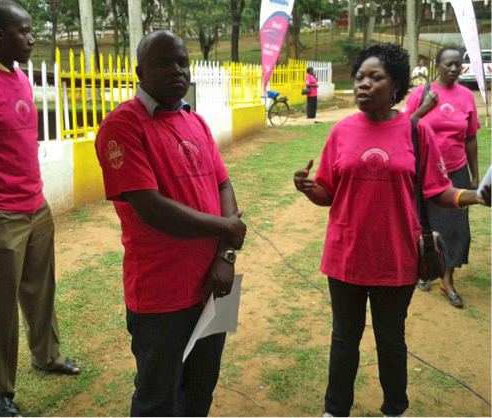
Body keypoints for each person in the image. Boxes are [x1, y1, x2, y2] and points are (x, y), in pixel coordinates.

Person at [293, 43, 486, 417]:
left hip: (396, 259)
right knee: (344, 340)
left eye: (375, 77)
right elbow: (327, 192)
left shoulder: (416, 132)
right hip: (345, 255)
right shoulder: (341, 132)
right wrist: (307, 188)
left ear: (395, 84)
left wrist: (473, 196)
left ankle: (395, 408)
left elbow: (437, 191)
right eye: (360, 77)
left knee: (391, 341)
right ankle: (335, 409)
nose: (364, 84)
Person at [95, 29, 246, 416]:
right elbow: (150, 207)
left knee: (200, 391)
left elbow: (223, 184)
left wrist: (225, 258)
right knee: (157, 399)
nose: (176, 70)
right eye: (163, 63)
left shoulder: (195, 122)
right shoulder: (123, 126)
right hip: (160, 295)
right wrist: (224, 229)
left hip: (214, 285)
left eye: (181, 62)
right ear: (139, 71)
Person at [0, 1, 81, 416]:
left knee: (41, 293)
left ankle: (48, 357)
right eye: (24, 31)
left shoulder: (20, 77)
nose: (32, 37)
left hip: (35, 207)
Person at [403, 46, 480, 307]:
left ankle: (448, 280)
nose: (454, 69)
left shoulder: (467, 96)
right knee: (423, 223)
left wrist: (474, 175)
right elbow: (402, 127)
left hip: (456, 169)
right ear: (437, 65)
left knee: (457, 227)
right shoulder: (420, 94)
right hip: (423, 170)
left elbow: (470, 137)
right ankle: (424, 269)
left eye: (458, 64)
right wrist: (424, 108)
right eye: (448, 64)